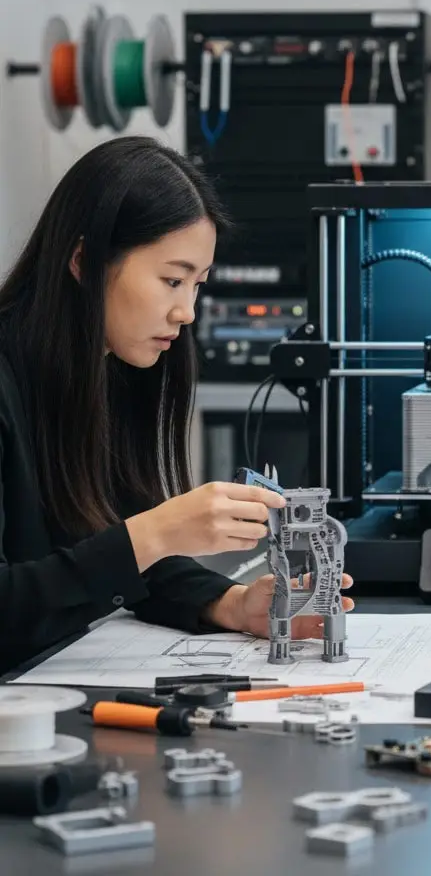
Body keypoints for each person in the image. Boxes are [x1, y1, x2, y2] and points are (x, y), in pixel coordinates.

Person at [0, 136, 354, 677]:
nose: (186, 311)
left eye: (198, 284)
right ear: (82, 260)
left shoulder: (105, 367)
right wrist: (155, 531)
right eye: (171, 280)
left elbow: (101, 551)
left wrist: (230, 604)